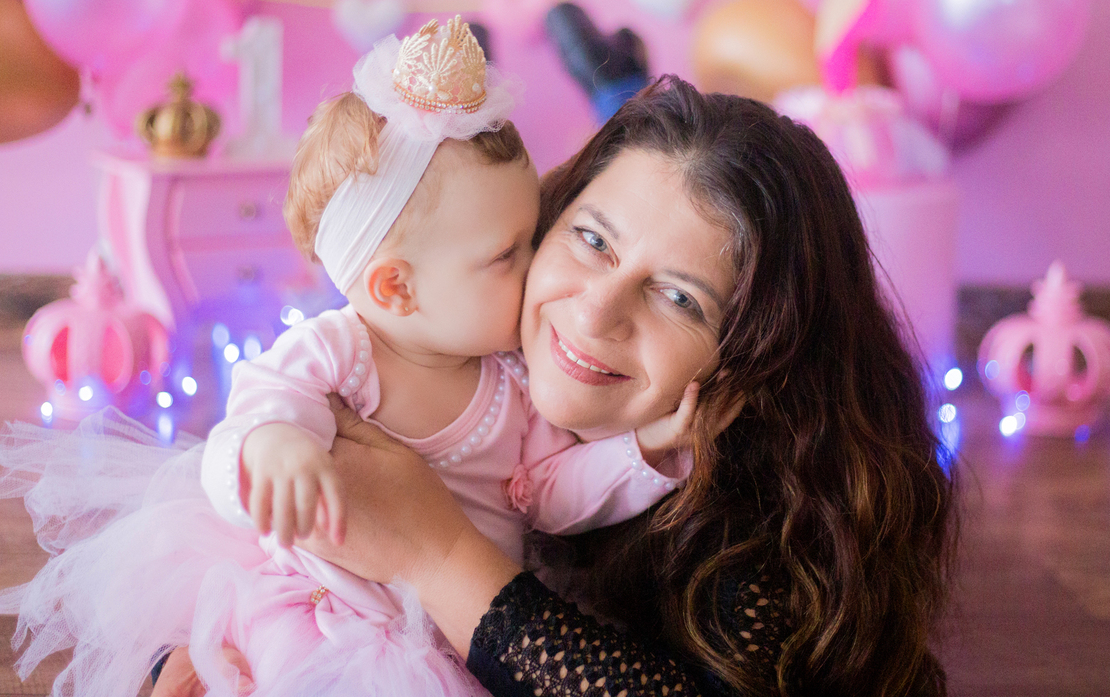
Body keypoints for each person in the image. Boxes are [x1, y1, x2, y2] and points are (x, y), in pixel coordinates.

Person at [157, 74, 959, 697]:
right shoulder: (429, 348)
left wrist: (436, 553)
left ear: (757, 354)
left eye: (680, 297)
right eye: (591, 238)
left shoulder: (758, 524)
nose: (594, 312)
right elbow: (254, 473)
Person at [0, 17, 692, 697]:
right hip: (322, 620)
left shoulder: (510, 379)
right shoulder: (339, 351)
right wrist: (280, 447)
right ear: (397, 287)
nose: (537, 265)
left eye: (533, 237)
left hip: (453, 633)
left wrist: (644, 456)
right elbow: (250, 426)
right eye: (508, 254)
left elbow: (550, 495)